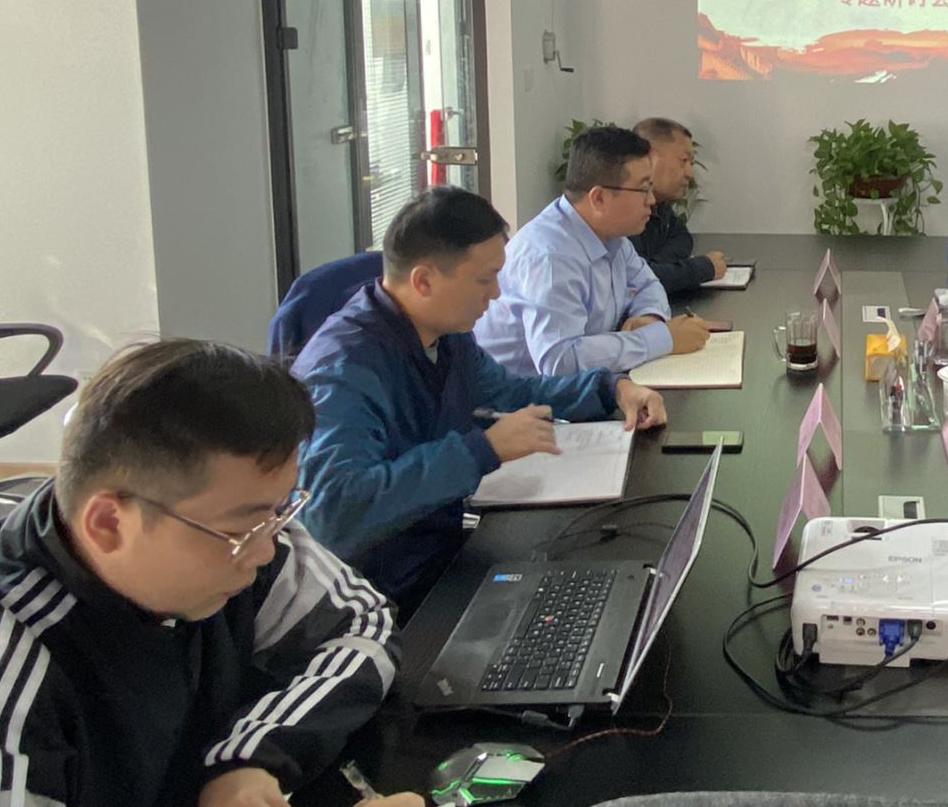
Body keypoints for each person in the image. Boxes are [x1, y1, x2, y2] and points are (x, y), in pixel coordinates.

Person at [0, 339, 420, 807]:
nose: (267, 551)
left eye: (277, 512)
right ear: (108, 524)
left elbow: (362, 620)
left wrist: (251, 757)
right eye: (241, 528)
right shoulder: (5, 682)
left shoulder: (224, 538)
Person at [295, 186, 666, 613]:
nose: (495, 294)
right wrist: (481, 450)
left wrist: (611, 388)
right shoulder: (344, 369)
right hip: (378, 598)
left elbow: (513, 391)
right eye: (484, 279)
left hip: (438, 553)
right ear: (424, 280)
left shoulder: (446, 336)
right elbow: (332, 513)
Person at [475, 124, 712, 375]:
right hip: (522, 395)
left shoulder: (612, 237)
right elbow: (559, 361)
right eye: (643, 189)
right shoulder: (551, 257)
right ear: (599, 198)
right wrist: (660, 339)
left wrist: (649, 318)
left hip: (580, 388)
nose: (652, 200)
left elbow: (647, 284)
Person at [629, 117, 728, 296]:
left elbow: (682, 238)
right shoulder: (622, 208)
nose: (690, 173)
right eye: (684, 161)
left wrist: (657, 265)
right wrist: (703, 268)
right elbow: (637, 282)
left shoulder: (660, 205)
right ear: (650, 157)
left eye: (691, 163)